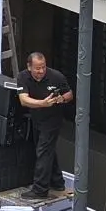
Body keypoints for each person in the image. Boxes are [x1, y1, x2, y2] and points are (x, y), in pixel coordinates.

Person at [16, 51, 71, 199]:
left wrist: (61, 99)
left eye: (43, 67)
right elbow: (23, 100)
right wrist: (42, 103)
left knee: (43, 151)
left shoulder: (56, 76)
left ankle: (40, 189)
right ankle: (57, 182)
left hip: (53, 120)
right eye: (37, 68)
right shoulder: (22, 77)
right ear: (29, 67)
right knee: (45, 150)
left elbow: (69, 94)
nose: (41, 71)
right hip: (36, 118)